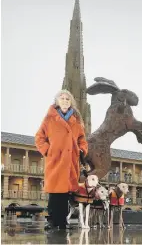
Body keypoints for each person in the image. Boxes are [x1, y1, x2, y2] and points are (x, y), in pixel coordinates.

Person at [35, 89, 88, 230]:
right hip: (55, 160)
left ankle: (63, 221)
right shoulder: (49, 118)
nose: (65, 101)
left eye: (68, 99)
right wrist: (48, 151)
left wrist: (82, 150)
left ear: (71, 103)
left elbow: (82, 139)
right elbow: (39, 137)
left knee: (65, 192)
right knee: (54, 192)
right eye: (62, 98)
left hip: (70, 160)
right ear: (57, 101)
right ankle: (52, 220)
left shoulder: (76, 120)